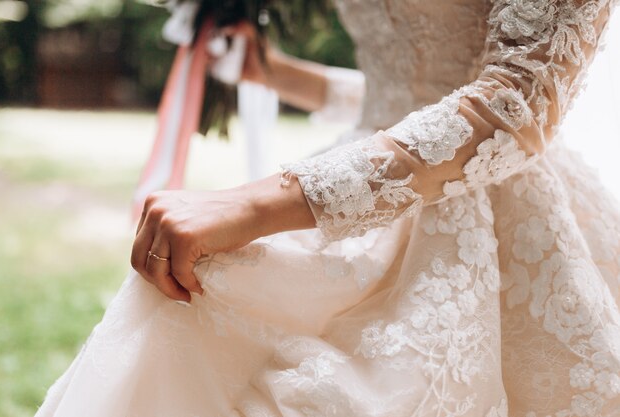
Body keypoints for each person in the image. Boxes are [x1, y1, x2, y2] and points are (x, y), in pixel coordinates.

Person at [36, 1, 620, 416]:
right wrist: (273, 72)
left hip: (495, 214)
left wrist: (253, 202)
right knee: (187, 308)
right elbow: (400, 85)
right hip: (366, 180)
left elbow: (520, 98)